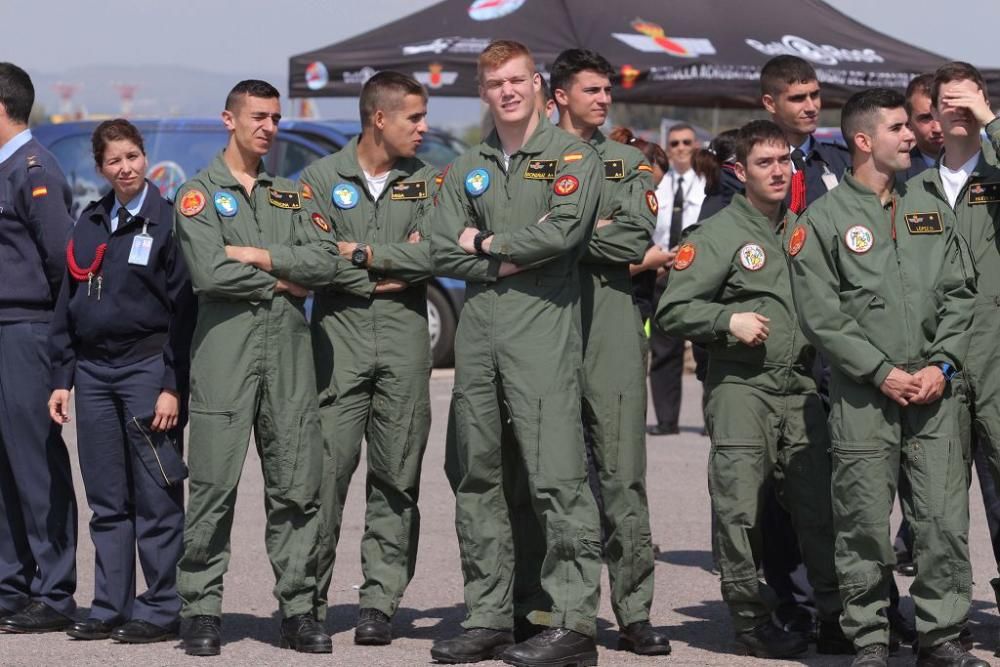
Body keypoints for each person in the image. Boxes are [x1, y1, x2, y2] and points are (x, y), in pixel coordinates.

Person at [789, 87, 980, 667]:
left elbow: (960, 295)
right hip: (864, 397)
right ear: (864, 141)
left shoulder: (927, 208)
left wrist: (941, 366)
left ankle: (940, 635)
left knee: (942, 519)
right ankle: (869, 637)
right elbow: (821, 315)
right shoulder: (822, 220)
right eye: (899, 128)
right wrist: (882, 372)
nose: (913, 135)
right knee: (864, 521)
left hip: (934, 393)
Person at [430, 40, 604, 667]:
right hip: (478, 337)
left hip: (541, 335)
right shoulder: (467, 164)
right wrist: (501, 256)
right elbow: (439, 247)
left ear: (536, 84)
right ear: (483, 92)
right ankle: (489, 615)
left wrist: (489, 245)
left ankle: (573, 622)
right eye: (493, 83)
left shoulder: (573, 156)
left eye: (515, 80)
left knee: (557, 478)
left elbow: (562, 232)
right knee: (477, 477)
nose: (505, 91)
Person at [656, 119, 847, 659]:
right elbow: (672, 308)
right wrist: (727, 321)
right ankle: (748, 620)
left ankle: (833, 616)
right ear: (738, 172)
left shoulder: (801, 230)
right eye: (765, 163)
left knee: (820, 510)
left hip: (801, 388)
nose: (780, 171)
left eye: (784, 160)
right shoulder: (715, 234)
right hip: (743, 388)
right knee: (740, 512)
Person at [172, 79, 341, 656]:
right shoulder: (198, 193)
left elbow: (322, 264)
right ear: (229, 119)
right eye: (257, 117)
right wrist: (280, 280)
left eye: (275, 117)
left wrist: (257, 254)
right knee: (214, 486)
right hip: (225, 356)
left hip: (290, 359)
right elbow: (208, 273)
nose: (268, 127)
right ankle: (199, 610)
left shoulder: (289, 194)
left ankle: (298, 609)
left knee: (296, 486)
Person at [296, 71, 437, 645]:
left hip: (404, 344)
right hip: (338, 341)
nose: (424, 129)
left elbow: (434, 254)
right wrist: (385, 269)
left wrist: (359, 256)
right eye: (414, 118)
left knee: (397, 475)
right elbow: (312, 259)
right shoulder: (319, 178)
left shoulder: (431, 182)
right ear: (380, 118)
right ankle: (307, 600)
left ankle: (379, 601)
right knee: (322, 475)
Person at [46, 119, 195, 643]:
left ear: (144, 157)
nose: (125, 168)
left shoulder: (168, 222)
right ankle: (110, 604)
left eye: (132, 156)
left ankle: (160, 607)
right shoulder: (90, 222)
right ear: (101, 168)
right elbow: (68, 307)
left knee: (156, 495)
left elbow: (184, 314)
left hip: (146, 370)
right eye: (114, 161)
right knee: (107, 499)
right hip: (92, 374)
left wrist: (172, 385)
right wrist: (63, 378)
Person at [551, 48, 670, 655]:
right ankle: (556, 609)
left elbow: (632, 235)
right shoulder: (533, 159)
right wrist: (582, 231)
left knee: (623, 475)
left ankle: (634, 610)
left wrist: (557, 234)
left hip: (613, 324)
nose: (603, 99)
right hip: (545, 323)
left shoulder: (628, 163)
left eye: (607, 90)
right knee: (552, 477)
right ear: (560, 95)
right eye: (591, 90)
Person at [907, 61, 1000, 651]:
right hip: (937, 361)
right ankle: (944, 626)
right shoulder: (911, 188)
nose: (958, 108)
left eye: (970, 97)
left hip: (996, 358)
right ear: (930, 113)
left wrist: (991, 120)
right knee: (937, 507)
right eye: (946, 100)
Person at [0, 62, 78, 634]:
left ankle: (53, 590)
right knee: (4, 465)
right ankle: (11, 583)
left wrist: (59, 346)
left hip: (25, 329)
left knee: (34, 463)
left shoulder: (33, 168)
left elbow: (61, 261)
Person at [647, 122, 705, 436]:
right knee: (664, 350)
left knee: (706, 349)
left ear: (695, 145)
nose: (681, 148)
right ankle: (667, 420)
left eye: (686, 142)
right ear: (667, 149)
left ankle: (713, 421)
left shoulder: (708, 184)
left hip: (699, 276)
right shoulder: (657, 187)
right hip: (662, 274)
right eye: (674, 144)